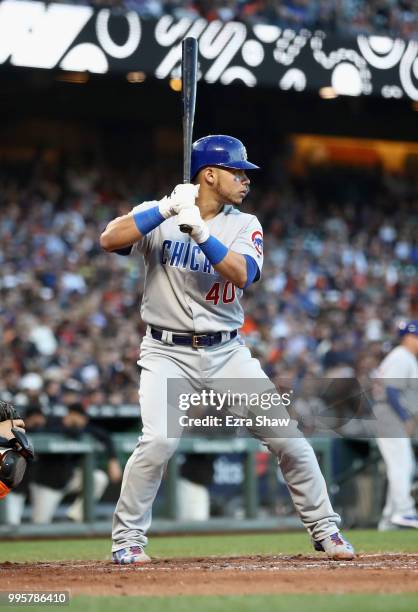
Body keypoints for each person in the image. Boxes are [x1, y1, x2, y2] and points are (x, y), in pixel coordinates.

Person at [100, 134, 355, 563]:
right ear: (210, 175)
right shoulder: (160, 212)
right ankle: (127, 539)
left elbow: (240, 274)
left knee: (290, 442)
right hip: (166, 352)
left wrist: (200, 232)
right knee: (158, 441)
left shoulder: (244, 223)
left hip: (226, 353)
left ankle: (326, 530)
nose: (245, 179)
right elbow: (109, 239)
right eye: (237, 171)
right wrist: (164, 209)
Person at [29, 402, 122, 523]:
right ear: (71, 414)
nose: (83, 421)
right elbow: (40, 432)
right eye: (79, 417)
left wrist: (113, 460)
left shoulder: (83, 429)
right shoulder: (53, 423)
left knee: (99, 478)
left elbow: (105, 436)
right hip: (47, 485)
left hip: (68, 479)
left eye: (84, 418)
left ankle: (74, 516)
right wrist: (68, 426)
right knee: (39, 525)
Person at [374, 321, 418, 530]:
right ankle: (404, 511)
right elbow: (391, 390)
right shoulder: (401, 356)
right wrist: (406, 418)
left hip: (391, 415)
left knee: (402, 464)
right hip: (390, 414)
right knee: (402, 465)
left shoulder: (405, 356)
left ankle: (389, 519)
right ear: (408, 337)